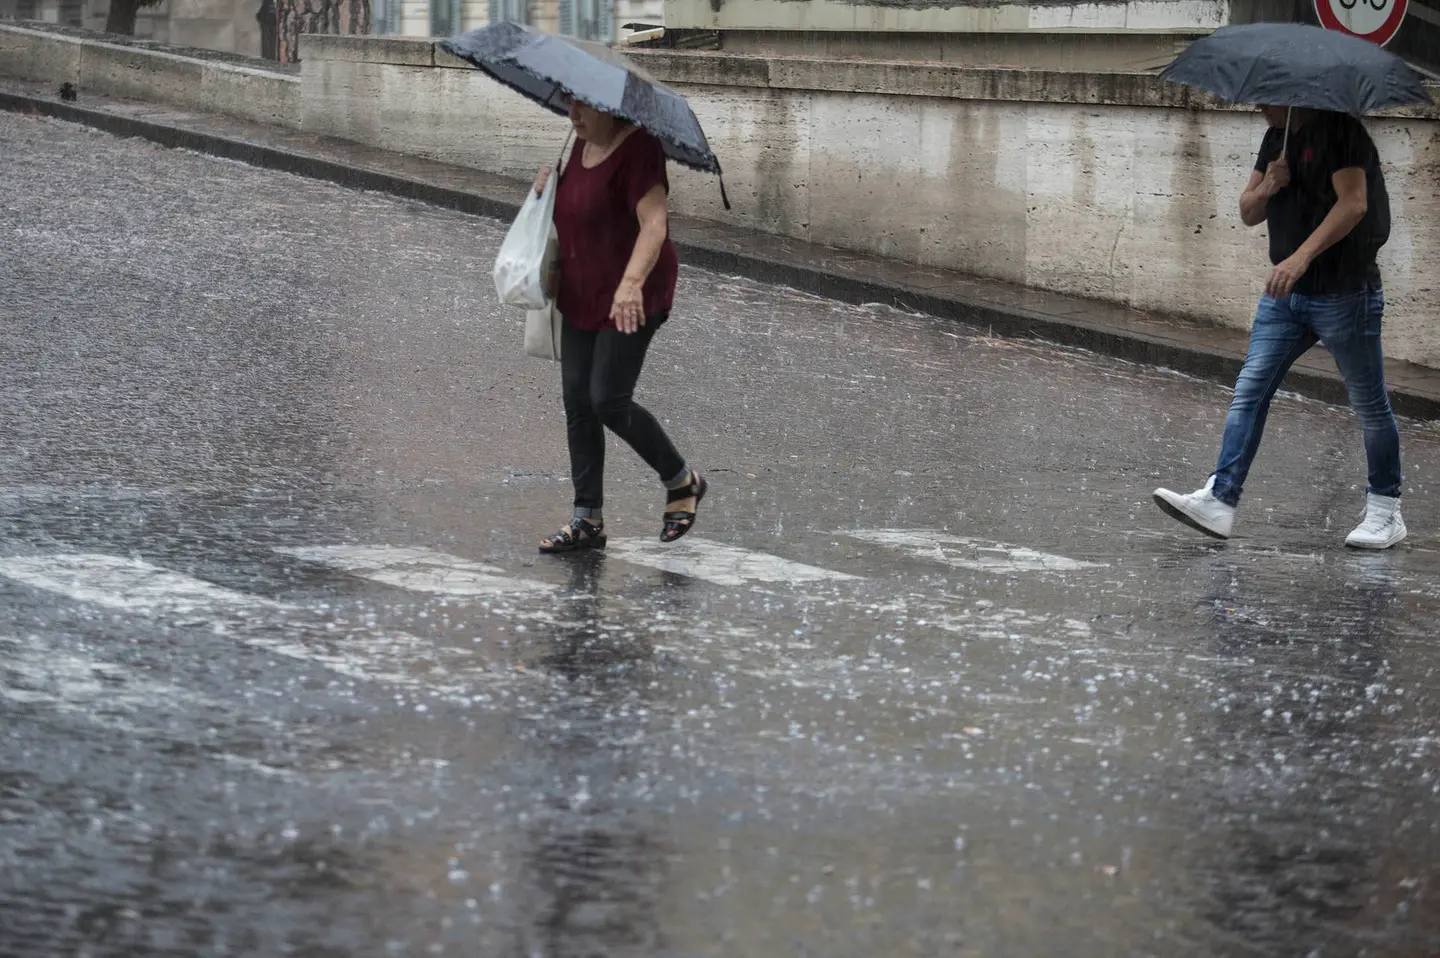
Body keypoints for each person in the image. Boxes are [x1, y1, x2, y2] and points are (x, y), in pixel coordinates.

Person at [1153, 105, 1405, 550]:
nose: (1258, 106)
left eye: (1266, 97)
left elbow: (1355, 204)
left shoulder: (1342, 132)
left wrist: (1300, 257)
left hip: (1345, 295)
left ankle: (1385, 511)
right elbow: (1249, 212)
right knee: (1250, 390)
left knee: (1368, 403)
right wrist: (1269, 183)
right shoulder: (1276, 139)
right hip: (1285, 296)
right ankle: (1220, 499)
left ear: (1294, 95)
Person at [531, 99, 707, 554]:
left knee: (607, 398)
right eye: (568, 102)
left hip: (632, 292)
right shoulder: (579, 144)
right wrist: (545, 192)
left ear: (611, 107)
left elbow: (655, 223)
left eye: (583, 105)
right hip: (582, 288)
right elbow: (576, 210)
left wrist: (631, 284)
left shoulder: (639, 150)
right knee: (577, 400)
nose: (572, 114)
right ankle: (586, 519)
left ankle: (682, 480)